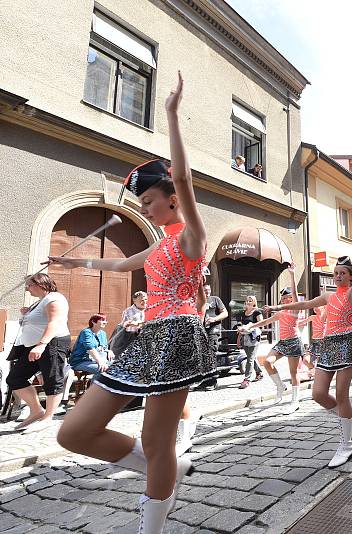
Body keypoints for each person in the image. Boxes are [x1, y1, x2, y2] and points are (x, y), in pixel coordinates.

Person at [52, 73, 216, 533]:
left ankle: (153, 522)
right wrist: (65, 262)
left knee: (157, 439)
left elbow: (183, 176)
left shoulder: (189, 236)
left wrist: (170, 114)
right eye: (141, 201)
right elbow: (120, 267)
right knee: (73, 432)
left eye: (148, 200)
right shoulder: (159, 244)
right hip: (148, 338)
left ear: (171, 199)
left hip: (179, 334)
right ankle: (165, 470)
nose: (144, 207)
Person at [263, 223, 352, 467]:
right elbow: (304, 304)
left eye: (343, 273)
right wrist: (279, 307)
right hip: (329, 345)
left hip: (347, 343)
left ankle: (346, 445)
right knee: (318, 394)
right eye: (336, 273)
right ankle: (347, 418)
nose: (338, 276)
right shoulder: (329, 296)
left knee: (342, 395)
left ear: (351, 277)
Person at [6, 273, 71, 433]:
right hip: (34, 346)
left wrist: (41, 345)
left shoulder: (54, 298)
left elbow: (54, 322)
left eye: (29, 285)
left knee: (52, 378)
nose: (27, 289)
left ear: (41, 284)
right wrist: (27, 313)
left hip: (51, 343)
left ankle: (48, 417)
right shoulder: (40, 302)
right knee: (15, 378)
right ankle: (36, 411)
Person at [246, 264, 304, 412]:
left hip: (294, 342)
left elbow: (296, 295)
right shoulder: (280, 313)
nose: (285, 300)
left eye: (288, 298)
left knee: (293, 373)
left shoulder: (295, 309)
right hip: (282, 342)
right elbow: (265, 322)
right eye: (283, 298)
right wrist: (250, 326)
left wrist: (292, 274)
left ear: (292, 299)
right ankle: (280, 386)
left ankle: (295, 400)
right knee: (267, 362)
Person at [236, 295, 265, 389]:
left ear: (254, 302)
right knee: (250, 357)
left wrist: (251, 327)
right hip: (245, 338)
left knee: (250, 359)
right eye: (247, 300)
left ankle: (246, 379)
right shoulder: (243, 313)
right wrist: (239, 337)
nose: (248, 302)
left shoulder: (257, 312)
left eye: (250, 301)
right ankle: (259, 373)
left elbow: (262, 325)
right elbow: (240, 326)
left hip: (254, 338)